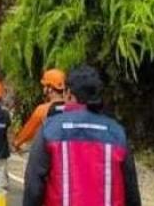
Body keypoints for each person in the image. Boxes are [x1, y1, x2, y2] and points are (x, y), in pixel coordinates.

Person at [23, 65, 142, 206]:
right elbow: (131, 191)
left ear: (68, 93)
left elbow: (33, 184)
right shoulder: (117, 133)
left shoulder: (49, 129)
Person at [14, 69, 67, 152]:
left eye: (45, 86)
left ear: (50, 88)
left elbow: (28, 132)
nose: (43, 88)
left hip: (49, 154)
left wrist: (17, 143)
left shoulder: (43, 110)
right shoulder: (73, 108)